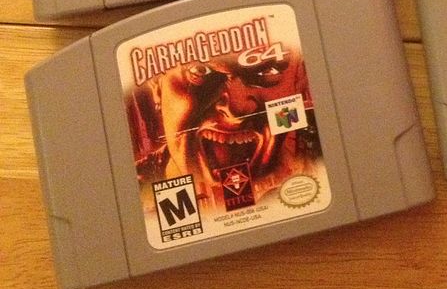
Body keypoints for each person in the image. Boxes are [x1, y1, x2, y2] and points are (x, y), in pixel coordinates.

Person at [131, 39, 319, 207]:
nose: (235, 112)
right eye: (200, 71)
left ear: (299, 81)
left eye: (267, 70)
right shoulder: (134, 196)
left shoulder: (326, 168)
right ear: (157, 87)